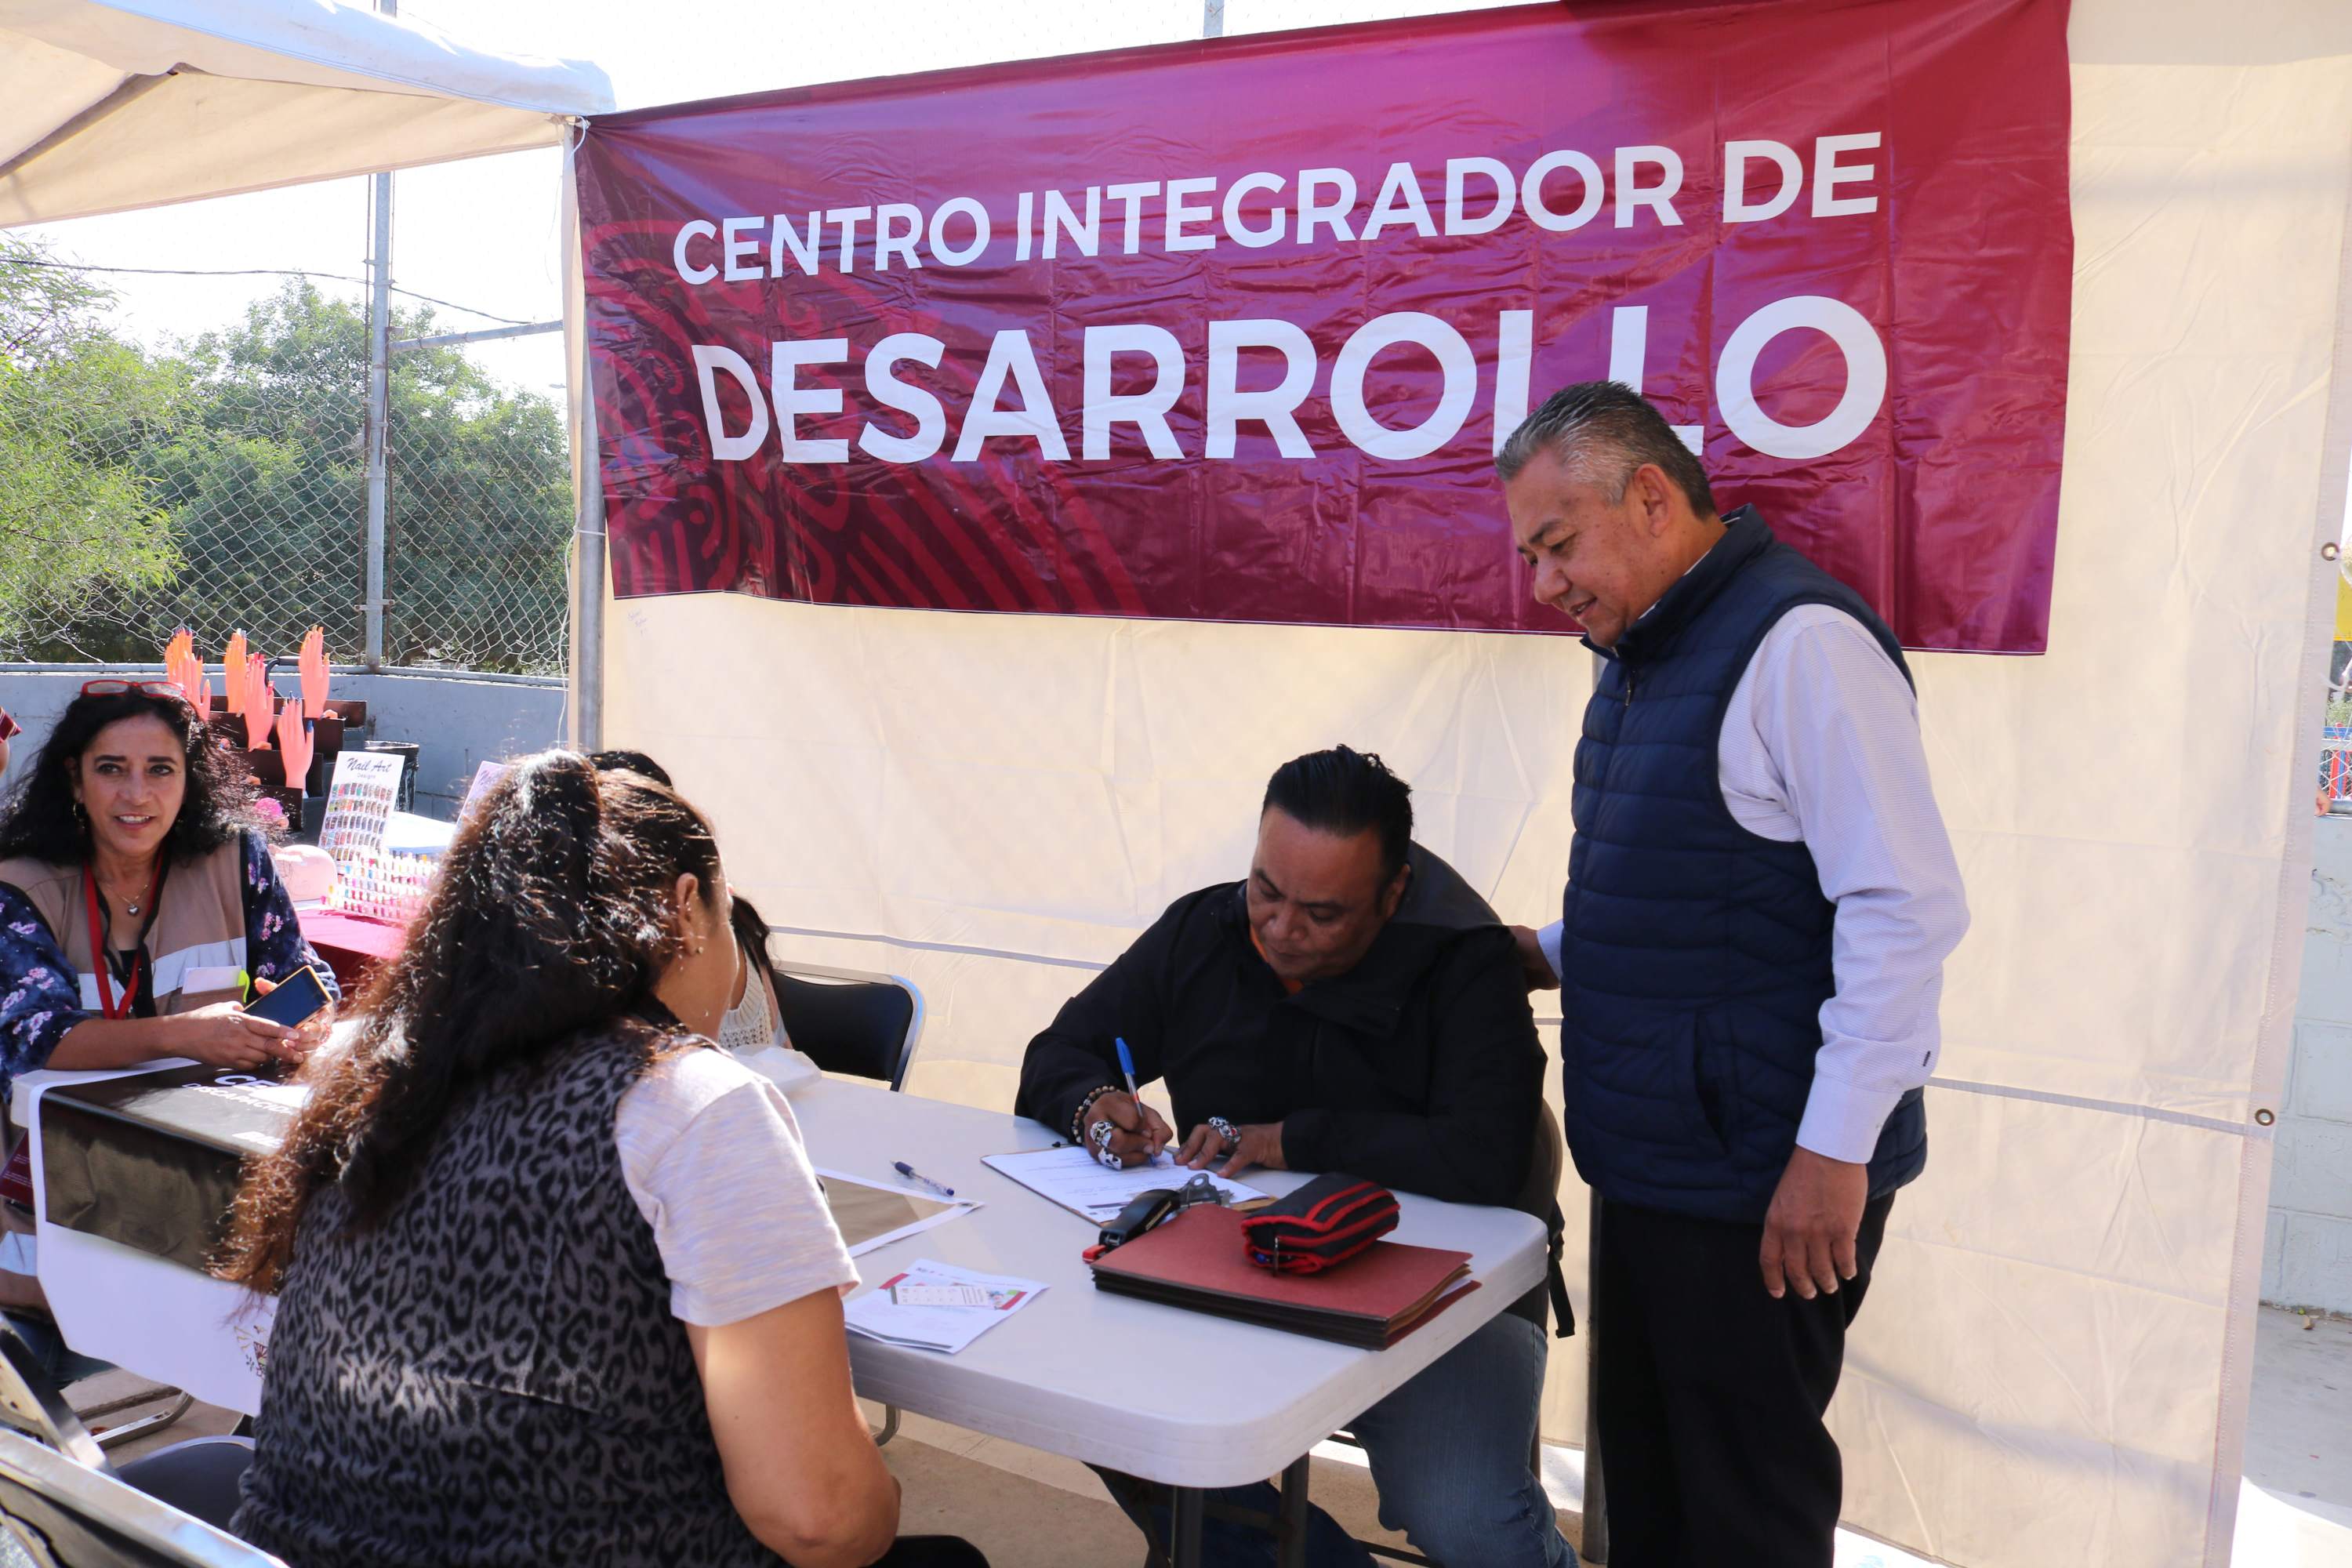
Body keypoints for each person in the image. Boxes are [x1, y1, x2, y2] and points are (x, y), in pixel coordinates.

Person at [223, 753, 984, 1568]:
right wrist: (875, 1491)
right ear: (687, 907)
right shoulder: (692, 1103)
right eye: (731, 918)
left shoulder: (372, 1078)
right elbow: (820, 1518)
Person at [1496, 382, 1969, 1568]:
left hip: (1767, 1181)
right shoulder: (1643, 652)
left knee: (1740, 1510)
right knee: (1653, 1494)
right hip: (1665, 1160)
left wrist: (1832, 1153)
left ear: (1651, 496)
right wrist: (1544, 954)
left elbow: (1905, 909)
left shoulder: (1803, 645)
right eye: (1532, 556)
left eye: (1559, 545)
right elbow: (1696, 896)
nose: (1544, 582)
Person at [1016, 746, 1572, 1568]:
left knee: (1465, 1517)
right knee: (1102, 1400)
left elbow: (1483, 1156)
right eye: (1266, 889)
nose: (1279, 928)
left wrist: (1286, 1137)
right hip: (1231, 1270)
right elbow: (1060, 1049)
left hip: (1446, 1293)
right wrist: (1096, 1108)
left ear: (1393, 895)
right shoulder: (1203, 931)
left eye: (1323, 913)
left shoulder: (1464, 960)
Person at [0, 678, 337, 1381]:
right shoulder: (18, 884)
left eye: (160, 770)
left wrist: (302, 1020)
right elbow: (42, 1038)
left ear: (191, 780)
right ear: (74, 776)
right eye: (111, 769)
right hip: (49, 1200)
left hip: (208, 1183)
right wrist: (186, 1034)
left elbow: (311, 980)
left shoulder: (237, 861)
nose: (137, 795)